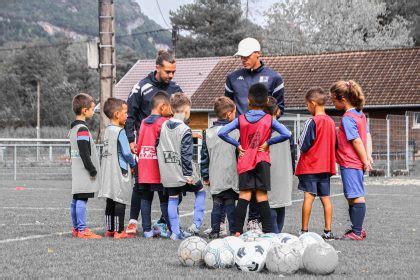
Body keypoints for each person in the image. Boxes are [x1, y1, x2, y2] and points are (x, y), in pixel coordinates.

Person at [225, 37, 286, 231]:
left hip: (263, 140)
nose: (243, 59)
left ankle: (256, 220)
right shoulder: (232, 77)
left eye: (246, 56)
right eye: (240, 56)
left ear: (258, 53)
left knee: (260, 187)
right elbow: (228, 107)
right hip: (241, 139)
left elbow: (280, 108)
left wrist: (264, 126)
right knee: (243, 186)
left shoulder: (274, 77)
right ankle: (234, 225)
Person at [218, 83, 292, 235]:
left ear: (248, 100)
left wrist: (238, 145)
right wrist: (268, 143)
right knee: (262, 195)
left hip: (245, 160)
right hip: (262, 159)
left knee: (244, 195)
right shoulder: (269, 120)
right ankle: (269, 233)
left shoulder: (242, 119)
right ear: (266, 101)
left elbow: (222, 132)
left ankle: (236, 232)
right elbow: (287, 133)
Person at [157, 93, 206, 240]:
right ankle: (196, 225)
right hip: (183, 170)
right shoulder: (184, 129)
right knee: (201, 191)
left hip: (167, 170)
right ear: (186, 110)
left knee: (172, 197)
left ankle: (175, 232)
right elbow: (186, 154)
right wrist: (188, 174)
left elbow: (157, 145)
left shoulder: (163, 125)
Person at [126, 91, 173, 238]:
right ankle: (172, 229)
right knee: (164, 199)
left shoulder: (144, 123)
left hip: (144, 168)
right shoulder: (164, 123)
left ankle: (147, 231)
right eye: (169, 108)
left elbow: (139, 147)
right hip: (158, 170)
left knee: (145, 199)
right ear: (163, 107)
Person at [330, 80, 372, 240]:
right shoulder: (360, 115)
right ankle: (356, 228)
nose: (333, 103)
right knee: (352, 195)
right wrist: (368, 156)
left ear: (343, 100)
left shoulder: (347, 118)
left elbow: (356, 140)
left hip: (350, 162)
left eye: (334, 100)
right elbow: (367, 135)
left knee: (355, 195)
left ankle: (357, 231)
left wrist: (365, 159)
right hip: (355, 162)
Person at [295, 88, 337, 240]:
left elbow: (302, 143)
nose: (307, 108)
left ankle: (304, 231)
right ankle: (328, 231)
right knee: (326, 197)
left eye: (307, 105)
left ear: (312, 103)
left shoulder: (311, 121)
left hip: (310, 167)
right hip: (326, 167)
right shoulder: (332, 122)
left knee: (309, 197)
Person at [126, 49, 182, 153]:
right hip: (147, 144)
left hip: (170, 145)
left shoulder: (176, 89)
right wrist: (130, 140)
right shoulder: (140, 87)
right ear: (158, 67)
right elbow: (130, 115)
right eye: (168, 72)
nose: (171, 76)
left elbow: (183, 113)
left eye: (173, 72)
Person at [200, 97, 239, 239]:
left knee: (217, 204)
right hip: (230, 174)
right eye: (234, 112)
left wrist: (205, 175)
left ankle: (215, 231)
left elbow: (204, 157)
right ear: (229, 113)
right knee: (230, 204)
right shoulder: (235, 132)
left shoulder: (208, 133)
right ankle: (234, 232)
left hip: (215, 175)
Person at [69, 93, 101, 239]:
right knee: (82, 199)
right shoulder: (82, 129)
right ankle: (82, 230)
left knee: (76, 199)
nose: (93, 111)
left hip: (77, 171)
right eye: (92, 108)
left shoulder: (73, 128)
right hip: (83, 171)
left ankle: (76, 229)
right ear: (84, 110)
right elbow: (84, 152)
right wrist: (92, 169)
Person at [264, 97, 293, 234]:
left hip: (268, 170)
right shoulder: (285, 130)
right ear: (277, 111)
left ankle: (274, 234)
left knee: (270, 203)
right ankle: (277, 233)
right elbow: (292, 152)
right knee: (280, 203)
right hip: (284, 170)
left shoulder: (262, 128)